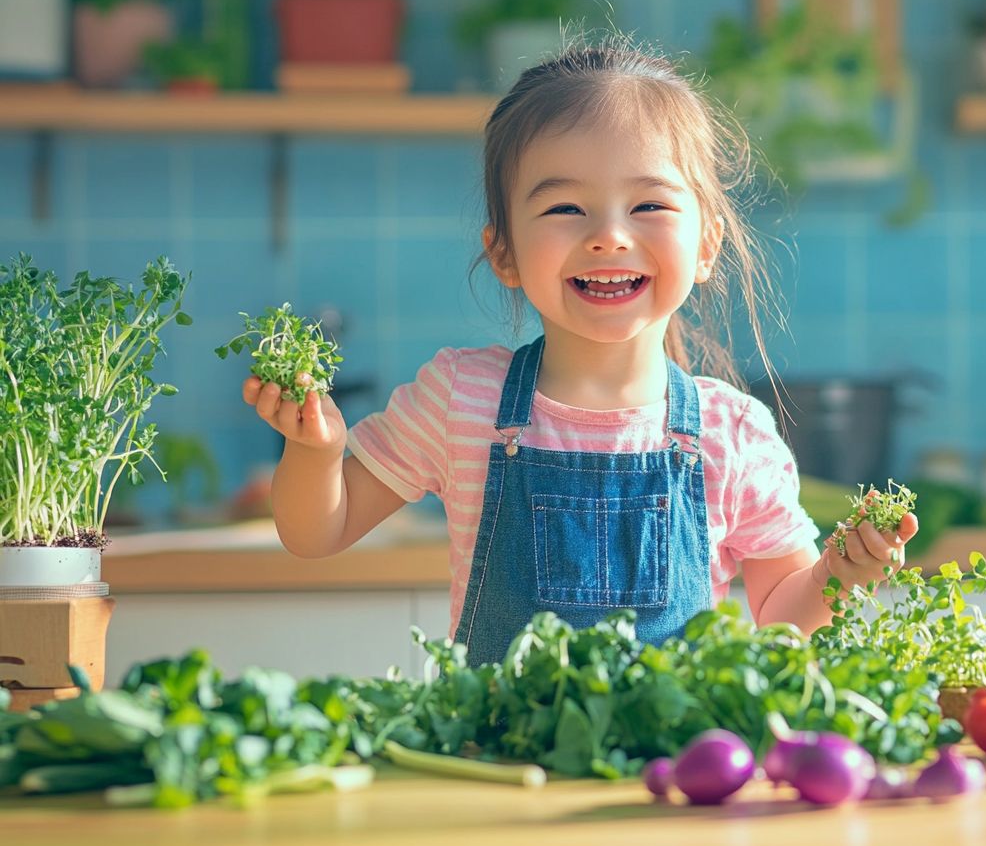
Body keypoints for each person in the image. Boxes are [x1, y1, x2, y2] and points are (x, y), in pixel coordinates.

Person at [242, 39, 918, 665]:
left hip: (666, 780)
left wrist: (840, 574)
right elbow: (316, 532)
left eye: (649, 205)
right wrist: (315, 453)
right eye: (566, 208)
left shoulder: (732, 434)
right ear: (502, 251)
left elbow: (781, 619)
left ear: (707, 244)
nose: (609, 237)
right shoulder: (461, 399)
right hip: (501, 768)